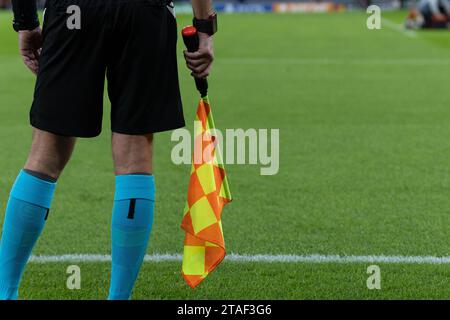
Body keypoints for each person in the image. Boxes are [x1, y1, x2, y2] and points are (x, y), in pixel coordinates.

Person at [0, 0, 217, 300]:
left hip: (74, 10)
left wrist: (25, 21)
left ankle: (5, 292)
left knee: (44, 155)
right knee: (135, 154)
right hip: (143, 12)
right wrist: (204, 26)